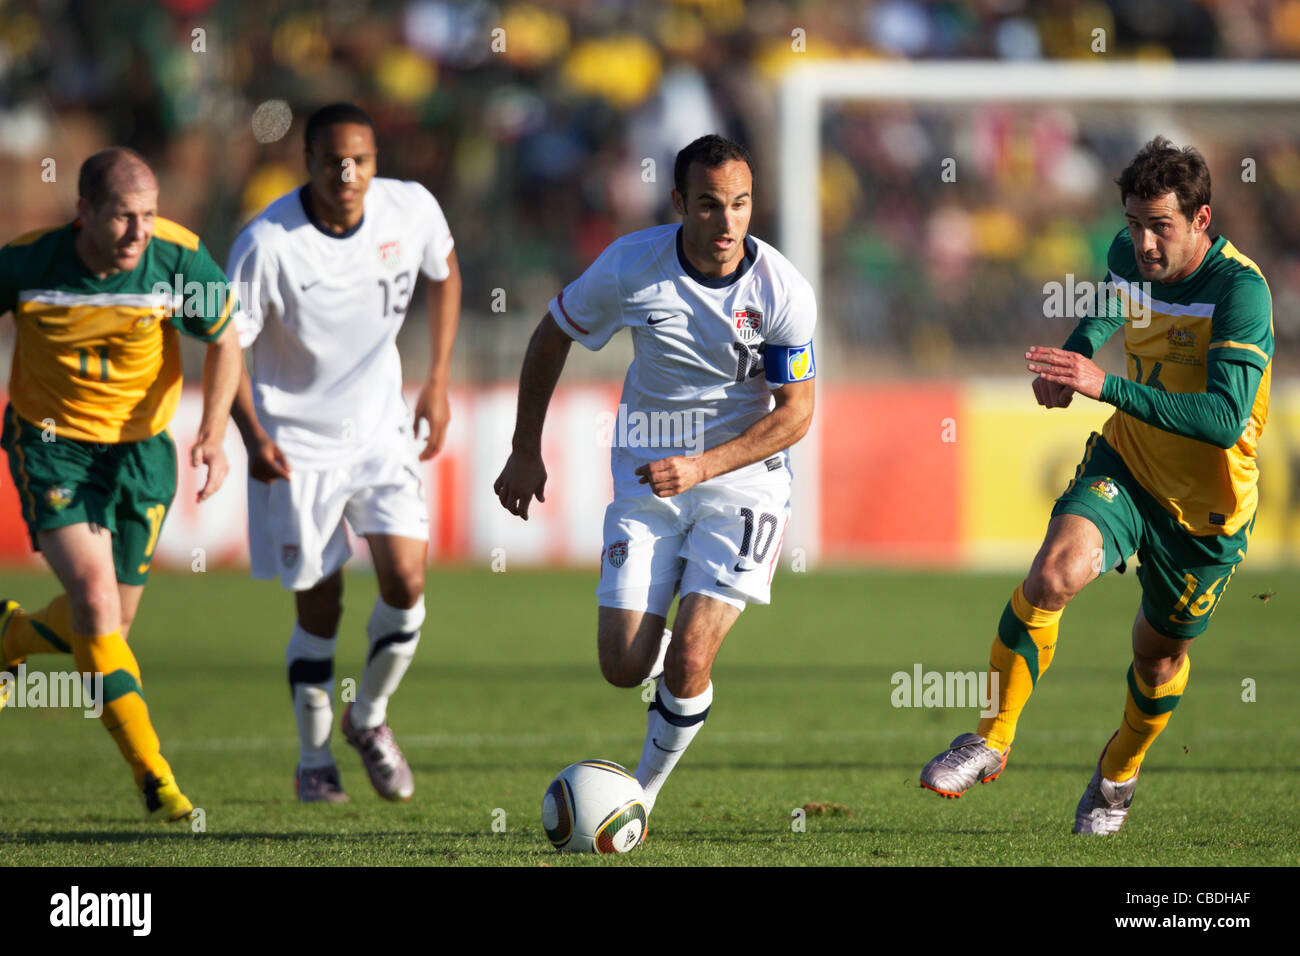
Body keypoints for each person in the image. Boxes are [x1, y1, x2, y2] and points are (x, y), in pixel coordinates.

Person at [920, 136, 1273, 834]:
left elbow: (1224, 418)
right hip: (1129, 464)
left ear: (1201, 220)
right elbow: (1116, 306)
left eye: (1160, 227)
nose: (1142, 242)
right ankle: (990, 740)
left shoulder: (1242, 292)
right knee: (1054, 574)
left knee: (1159, 654)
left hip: (1207, 511)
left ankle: (1117, 774)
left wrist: (1103, 383)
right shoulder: (1128, 254)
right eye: (1134, 223)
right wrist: (1073, 358)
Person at [495, 134, 816, 819]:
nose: (727, 222)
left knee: (692, 652)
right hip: (647, 474)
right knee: (622, 666)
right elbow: (552, 334)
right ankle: (676, 676)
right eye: (709, 205)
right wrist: (526, 447)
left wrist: (704, 465)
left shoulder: (782, 289)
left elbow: (796, 416)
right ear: (679, 204)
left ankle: (641, 796)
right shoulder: (630, 266)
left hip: (745, 481)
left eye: (740, 204)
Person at [227, 103, 460, 804]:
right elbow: (225, 346)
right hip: (293, 447)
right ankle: (312, 758)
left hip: (380, 432)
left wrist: (438, 380)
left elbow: (445, 271)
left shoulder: (409, 209)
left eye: (360, 158)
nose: (348, 173)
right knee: (319, 610)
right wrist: (248, 435)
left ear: (376, 160)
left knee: (407, 583)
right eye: (333, 161)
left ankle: (370, 717)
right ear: (310, 163)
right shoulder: (267, 243)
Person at [0, 147, 242, 822]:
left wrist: (215, 434)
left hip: (140, 454)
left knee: (108, 625)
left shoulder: (177, 261)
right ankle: (156, 780)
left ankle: (9, 638)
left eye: (149, 215)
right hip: (52, 450)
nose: (140, 232)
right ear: (83, 213)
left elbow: (225, 338)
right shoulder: (27, 262)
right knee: (97, 604)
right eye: (123, 217)